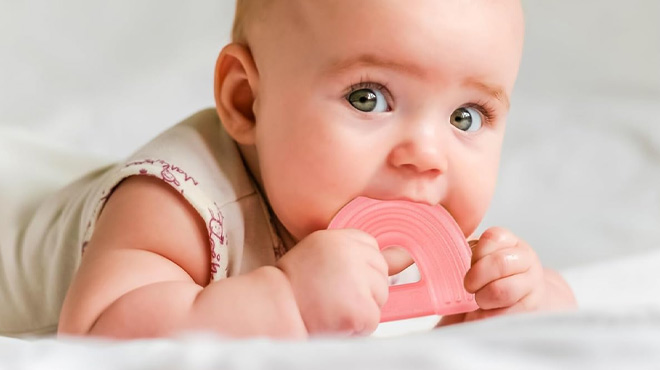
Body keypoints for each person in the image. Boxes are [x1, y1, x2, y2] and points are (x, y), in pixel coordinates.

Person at [1, 0, 576, 339]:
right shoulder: (178, 205)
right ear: (248, 100)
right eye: (368, 98)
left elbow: (551, 321)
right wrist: (288, 300)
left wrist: (523, 299)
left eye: (467, 116)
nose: (427, 154)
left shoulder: (390, 201)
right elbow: (98, 332)